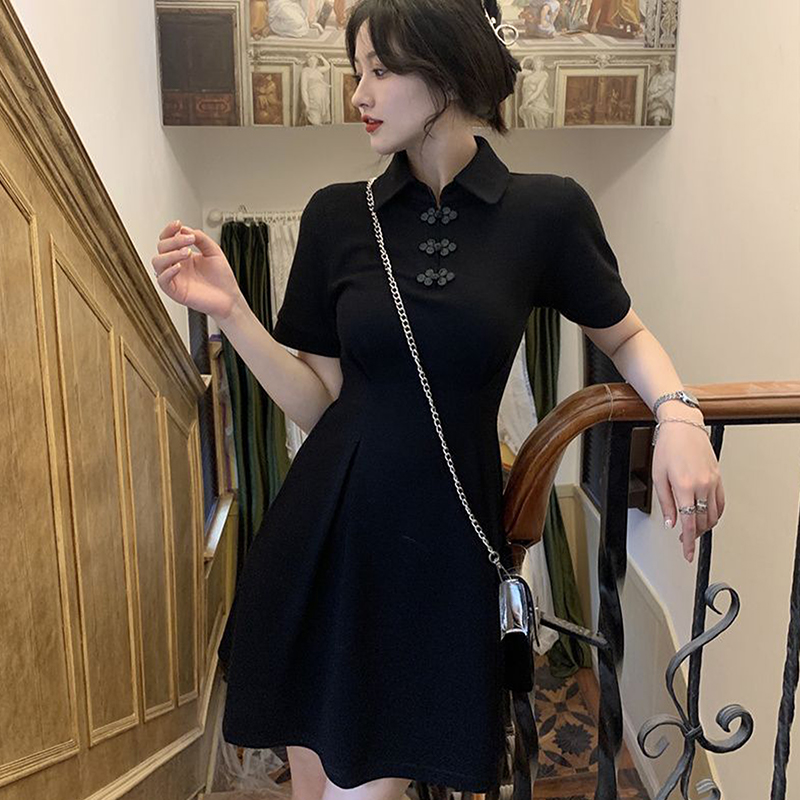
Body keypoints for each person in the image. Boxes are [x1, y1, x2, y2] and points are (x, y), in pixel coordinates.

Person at [150, 1, 725, 798]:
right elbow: (320, 405)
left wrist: (680, 416)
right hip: (326, 537)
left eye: (381, 70)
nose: (359, 93)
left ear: (449, 70)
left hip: (436, 552)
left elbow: (626, 336)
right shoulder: (335, 216)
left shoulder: (547, 211)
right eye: (356, 71)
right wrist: (232, 312)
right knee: (320, 783)